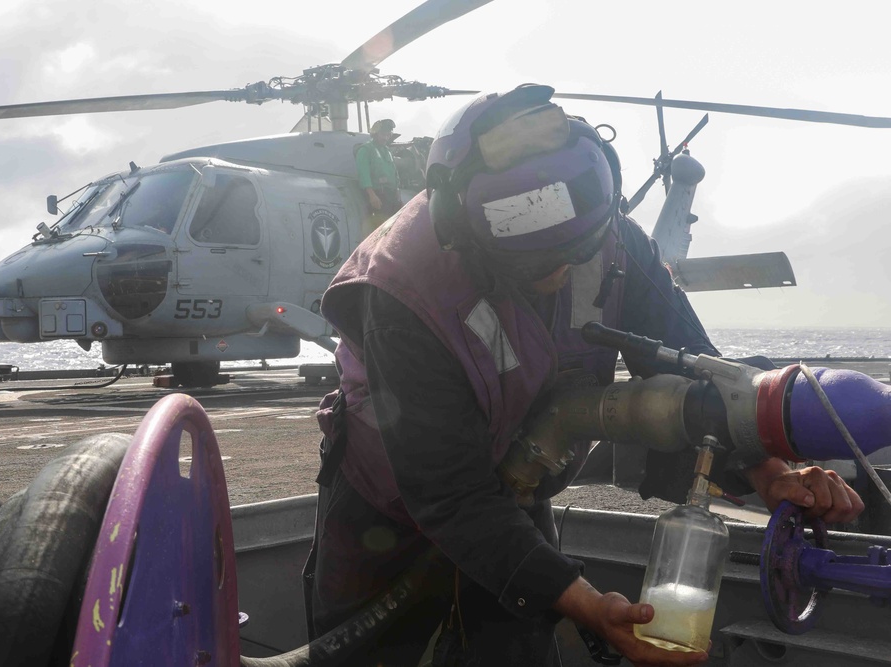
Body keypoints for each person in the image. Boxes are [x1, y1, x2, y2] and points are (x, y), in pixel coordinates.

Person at [306, 84, 863, 666]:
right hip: (386, 513)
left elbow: (700, 373)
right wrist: (588, 604)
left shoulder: (616, 242)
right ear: (463, 231)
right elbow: (449, 493)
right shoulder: (401, 289)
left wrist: (769, 473)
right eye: (537, 264)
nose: (566, 271)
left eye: (582, 249)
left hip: (515, 493)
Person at [356, 118, 403, 235]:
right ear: (375, 134)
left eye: (388, 135)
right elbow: (364, 174)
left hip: (391, 196)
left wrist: (397, 191)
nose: (385, 138)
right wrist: (372, 195)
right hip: (379, 195)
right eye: (383, 135)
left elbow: (393, 172)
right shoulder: (365, 150)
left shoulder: (386, 151)